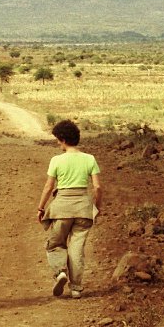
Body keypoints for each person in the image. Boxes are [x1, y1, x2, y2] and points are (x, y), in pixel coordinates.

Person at [37, 120, 102, 299]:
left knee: (55, 244)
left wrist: (41, 207)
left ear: (63, 139)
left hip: (61, 209)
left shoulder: (57, 160)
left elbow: (48, 187)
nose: (58, 143)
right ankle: (76, 288)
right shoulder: (90, 159)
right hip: (83, 208)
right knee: (77, 249)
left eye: (58, 140)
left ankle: (60, 272)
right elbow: (97, 187)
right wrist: (96, 206)